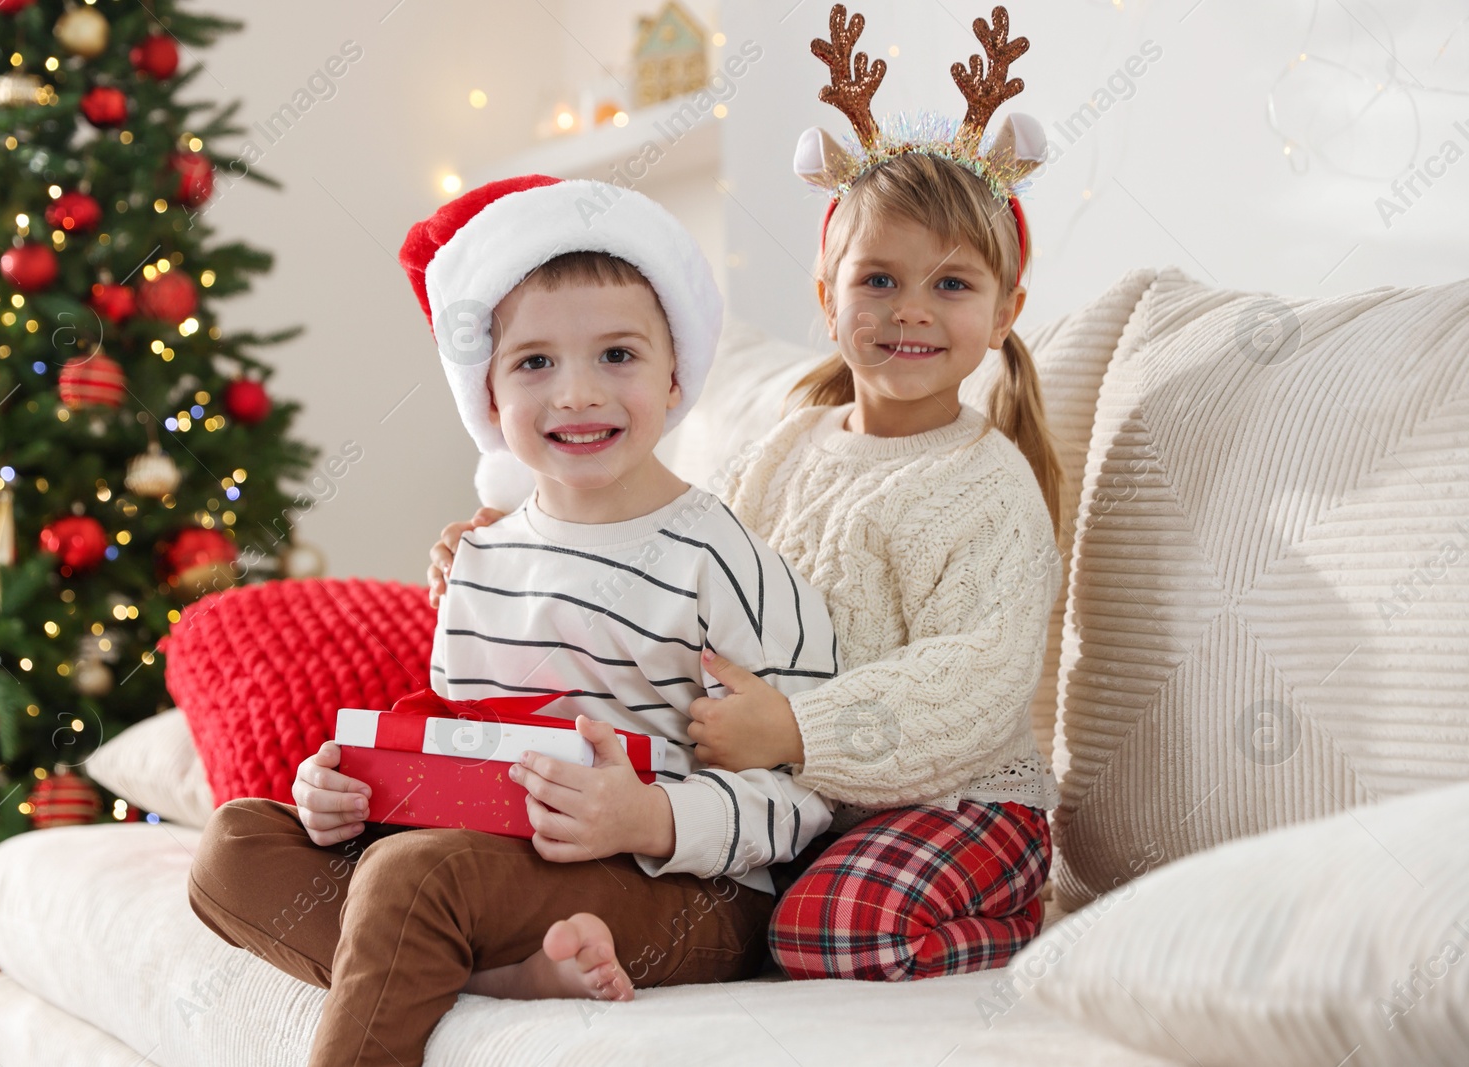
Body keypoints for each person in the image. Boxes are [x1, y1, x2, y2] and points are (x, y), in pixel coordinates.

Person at [429, 3, 1064, 984]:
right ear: (827, 296)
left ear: (1005, 308)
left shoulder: (987, 487)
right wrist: (521, 542)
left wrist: (793, 728)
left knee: (827, 929)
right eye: (879, 279)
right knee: (704, 895)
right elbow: (675, 545)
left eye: (951, 285)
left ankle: (1026, 925)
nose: (909, 311)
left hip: (961, 801)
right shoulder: (785, 444)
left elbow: (971, 683)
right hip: (804, 800)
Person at [188, 174, 838, 1067]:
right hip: (494, 870)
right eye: (535, 362)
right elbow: (458, 755)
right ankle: (500, 972)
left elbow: (808, 794)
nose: (576, 393)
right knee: (234, 844)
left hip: (685, 890)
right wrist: (354, 799)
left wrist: (644, 817)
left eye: (617, 355)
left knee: (415, 877)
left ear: (675, 370)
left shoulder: (725, 563)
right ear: (488, 397)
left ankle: (442, 949)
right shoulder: (482, 563)